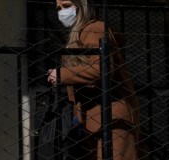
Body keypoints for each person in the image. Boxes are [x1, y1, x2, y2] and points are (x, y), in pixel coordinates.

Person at [47, 0, 140, 159]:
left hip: (110, 116)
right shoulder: (81, 32)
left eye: (67, 5)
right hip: (95, 117)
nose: (62, 12)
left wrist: (63, 75)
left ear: (81, 5)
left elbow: (102, 68)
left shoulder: (93, 28)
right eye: (59, 8)